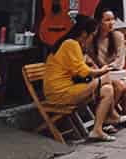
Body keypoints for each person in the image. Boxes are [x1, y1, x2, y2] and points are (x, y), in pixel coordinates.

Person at [43, 15, 120, 143]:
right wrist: (101, 71)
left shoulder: (72, 44)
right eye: (92, 35)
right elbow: (83, 72)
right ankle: (111, 115)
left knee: (107, 90)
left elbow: (78, 69)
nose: (92, 38)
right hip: (60, 93)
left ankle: (98, 129)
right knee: (106, 79)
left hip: (69, 88)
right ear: (84, 33)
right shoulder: (71, 44)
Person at [87, 8, 126, 124]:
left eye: (113, 19)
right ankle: (107, 117)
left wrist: (110, 67)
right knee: (119, 87)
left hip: (115, 72)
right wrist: (101, 69)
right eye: (107, 20)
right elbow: (91, 60)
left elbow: (120, 58)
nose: (111, 23)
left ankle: (121, 115)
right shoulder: (92, 39)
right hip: (100, 74)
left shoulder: (117, 36)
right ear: (99, 22)